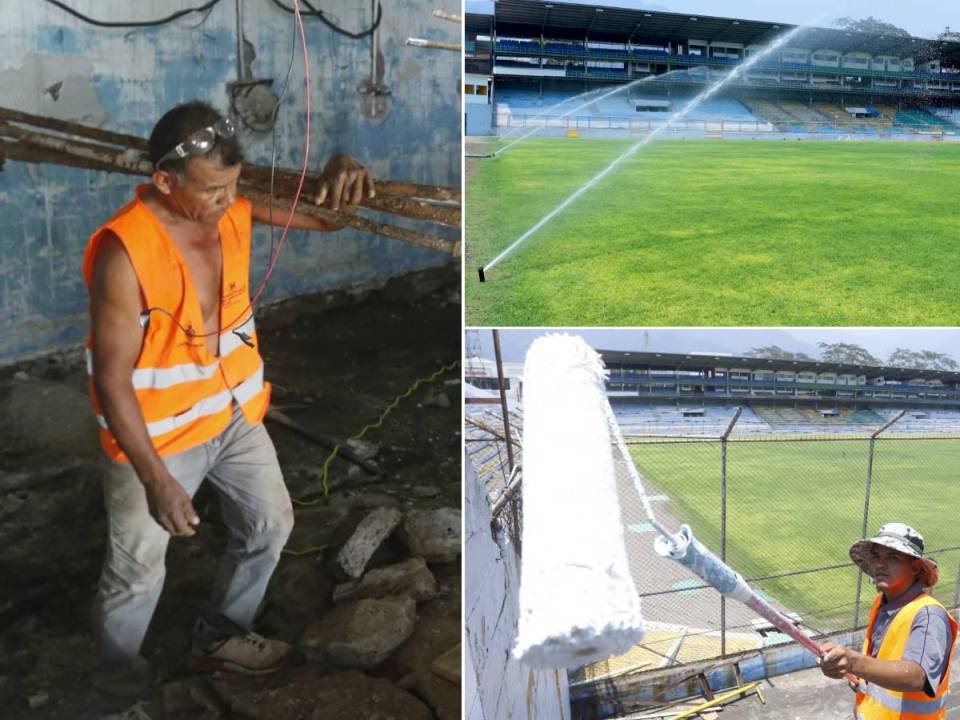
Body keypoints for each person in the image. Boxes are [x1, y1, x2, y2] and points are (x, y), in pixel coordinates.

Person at [83, 100, 374, 696]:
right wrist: (157, 479)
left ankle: (220, 634)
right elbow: (111, 379)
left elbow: (331, 219)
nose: (226, 200)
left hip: (233, 413)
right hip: (158, 438)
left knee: (271, 523)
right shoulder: (125, 252)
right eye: (213, 188)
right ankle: (113, 684)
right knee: (135, 571)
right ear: (164, 180)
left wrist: (343, 168)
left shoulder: (232, 210)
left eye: (234, 185)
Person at [819, 523, 957, 719]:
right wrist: (859, 676)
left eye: (893, 557)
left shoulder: (928, 615)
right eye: (876, 556)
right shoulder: (881, 603)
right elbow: (881, 660)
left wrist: (853, 662)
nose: (880, 564)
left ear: (915, 567)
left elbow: (916, 676)